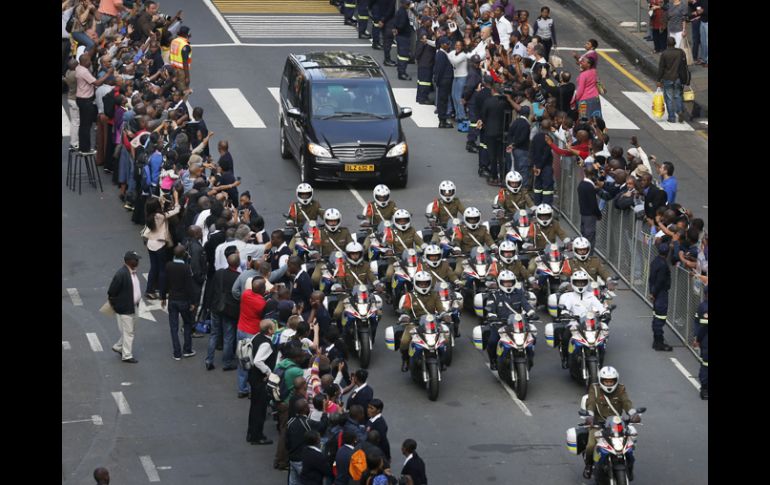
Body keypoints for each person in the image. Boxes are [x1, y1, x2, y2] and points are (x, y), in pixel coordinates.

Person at [583, 366, 640, 480]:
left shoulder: (620, 389)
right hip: (598, 424)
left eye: (611, 381)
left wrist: (633, 414)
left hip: (616, 424)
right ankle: (588, 466)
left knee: (629, 445)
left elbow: (626, 402)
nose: (609, 384)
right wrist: (590, 416)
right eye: (606, 381)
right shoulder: (594, 389)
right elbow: (591, 403)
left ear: (616, 380)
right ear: (601, 380)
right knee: (590, 446)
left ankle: (630, 467)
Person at [484, 271, 536, 370]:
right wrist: (492, 316)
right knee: (492, 341)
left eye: (510, 282)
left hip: (517, 323)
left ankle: (530, 358)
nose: (508, 284)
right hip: (500, 324)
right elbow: (490, 307)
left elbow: (526, 305)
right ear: (500, 282)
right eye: (505, 282)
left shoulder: (519, 293)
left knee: (532, 338)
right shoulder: (494, 295)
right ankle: (493, 360)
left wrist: (531, 313)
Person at [557, 271, 608, 366]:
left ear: (586, 283)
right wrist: (565, 313)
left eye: (582, 282)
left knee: (603, 335)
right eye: (578, 282)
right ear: (573, 283)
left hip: (589, 322)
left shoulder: (591, 296)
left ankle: (600, 357)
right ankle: (565, 357)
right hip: (574, 322)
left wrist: (605, 312)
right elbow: (565, 308)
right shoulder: (570, 296)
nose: (580, 284)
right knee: (565, 337)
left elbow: (600, 306)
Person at [161, 245, 197, 360]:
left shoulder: (168, 266)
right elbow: (190, 286)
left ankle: (177, 352)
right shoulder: (186, 268)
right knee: (187, 324)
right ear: (183, 255)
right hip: (184, 301)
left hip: (172, 300)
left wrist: (163, 297)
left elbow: (164, 282)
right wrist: (193, 302)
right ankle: (187, 349)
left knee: (173, 327)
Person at [206, 252, 241, 371]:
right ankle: (227, 362)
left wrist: (209, 304)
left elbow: (211, 288)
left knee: (214, 334)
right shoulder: (238, 277)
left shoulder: (219, 273)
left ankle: (209, 360)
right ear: (237, 264)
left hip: (216, 306)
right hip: (229, 310)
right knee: (228, 337)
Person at [107, 251, 143, 364]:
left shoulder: (132, 272)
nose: (137, 261)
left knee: (130, 330)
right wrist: (118, 306)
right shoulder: (121, 274)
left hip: (134, 306)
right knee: (129, 332)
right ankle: (127, 355)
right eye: (135, 259)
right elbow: (112, 292)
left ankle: (118, 346)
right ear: (128, 261)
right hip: (125, 309)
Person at [75, 53, 115, 155]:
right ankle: (85, 148)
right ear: (84, 62)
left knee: (83, 124)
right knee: (86, 125)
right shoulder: (84, 71)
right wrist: (108, 74)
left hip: (81, 98)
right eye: (89, 61)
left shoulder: (79, 68)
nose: (90, 62)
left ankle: (82, 146)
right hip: (85, 100)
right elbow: (97, 83)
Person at [247, 319, 277, 445]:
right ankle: (257, 436)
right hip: (260, 379)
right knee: (260, 408)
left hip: (253, 377)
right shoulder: (266, 344)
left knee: (254, 406)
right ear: (269, 330)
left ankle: (251, 433)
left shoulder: (256, 337)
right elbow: (258, 361)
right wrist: (269, 373)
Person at [237, 278, 268, 398]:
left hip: (241, 330)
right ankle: (251, 390)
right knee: (252, 364)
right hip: (252, 334)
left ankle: (242, 388)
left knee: (242, 360)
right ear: (261, 290)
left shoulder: (246, 294)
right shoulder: (261, 303)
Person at [477, 83, 510, 185]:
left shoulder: (488, 102)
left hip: (490, 131)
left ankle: (493, 176)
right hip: (501, 132)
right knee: (501, 155)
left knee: (492, 155)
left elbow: (483, 115)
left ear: (492, 91)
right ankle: (502, 176)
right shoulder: (504, 103)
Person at [648, 243, 674, 351]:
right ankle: (659, 343)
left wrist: (652, 292)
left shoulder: (655, 261)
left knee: (656, 317)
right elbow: (660, 281)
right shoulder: (663, 265)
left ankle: (656, 341)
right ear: (667, 253)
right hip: (661, 293)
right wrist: (654, 293)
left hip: (655, 292)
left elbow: (651, 279)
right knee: (660, 318)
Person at [656, 37, 687, 123]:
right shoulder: (680, 52)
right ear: (675, 43)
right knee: (678, 96)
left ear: (667, 44)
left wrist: (658, 80)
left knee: (669, 98)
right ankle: (680, 111)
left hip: (667, 78)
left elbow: (661, 68)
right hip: (678, 78)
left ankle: (672, 117)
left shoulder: (664, 54)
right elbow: (684, 66)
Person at [286, 398, 312, 485]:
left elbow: (287, 441)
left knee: (293, 481)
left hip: (292, 458)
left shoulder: (290, 422)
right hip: (301, 459)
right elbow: (322, 426)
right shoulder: (307, 423)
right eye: (307, 406)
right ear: (305, 409)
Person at [576, 165, 603, 248]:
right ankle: (589, 256)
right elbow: (593, 203)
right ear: (593, 175)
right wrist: (599, 214)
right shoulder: (589, 187)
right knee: (590, 237)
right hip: (590, 216)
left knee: (584, 235)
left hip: (583, 214)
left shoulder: (581, 184)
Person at [530, 120, 556, 205]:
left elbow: (532, 152)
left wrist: (535, 165)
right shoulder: (549, 139)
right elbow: (546, 154)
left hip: (537, 166)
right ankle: (546, 206)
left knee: (538, 187)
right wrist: (540, 167)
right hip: (546, 166)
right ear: (549, 128)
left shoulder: (535, 137)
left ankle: (537, 205)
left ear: (540, 127)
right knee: (547, 188)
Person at [415, 16, 436, 105]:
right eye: (429, 21)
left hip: (423, 60)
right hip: (426, 60)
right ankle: (423, 98)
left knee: (421, 80)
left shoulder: (424, 30)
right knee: (425, 81)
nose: (430, 22)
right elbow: (421, 46)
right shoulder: (424, 32)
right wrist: (418, 56)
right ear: (424, 22)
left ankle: (419, 97)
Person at [434, 37, 454, 128]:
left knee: (444, 101)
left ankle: (443, 119)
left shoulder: (444, 53)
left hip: (445, 82)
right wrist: (438, 81)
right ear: (442, 45)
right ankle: (442, 121)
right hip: (443, 82)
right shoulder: (441, 54)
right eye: (446, 43)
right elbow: (439, 70)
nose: (448, 45)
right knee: (442, 101)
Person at [394, 0, 415, 80]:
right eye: (408, 4)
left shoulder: (400, 11)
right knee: (403, 56)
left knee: (400, 55)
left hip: (400, 36)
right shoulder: (403, 12)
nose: (409, 5)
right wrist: (399, 29)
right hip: (403, 37)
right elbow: (402, 24)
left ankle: (400, 70)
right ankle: (402, 73)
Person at [695, 285, 708, 400]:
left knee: (705, 365)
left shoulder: (702, 306)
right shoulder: (705, 308)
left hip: (705, 341)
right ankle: (704, 388)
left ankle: (704, 388)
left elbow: (701, 327)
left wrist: (697, 339)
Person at [169, 26, 192, 92]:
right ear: (186, 34)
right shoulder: (185, 45)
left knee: (174, 89)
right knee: (183, 91)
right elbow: (185, 61)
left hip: (173, 69)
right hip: (181, 71)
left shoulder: (174, 41)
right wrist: (187, 77)